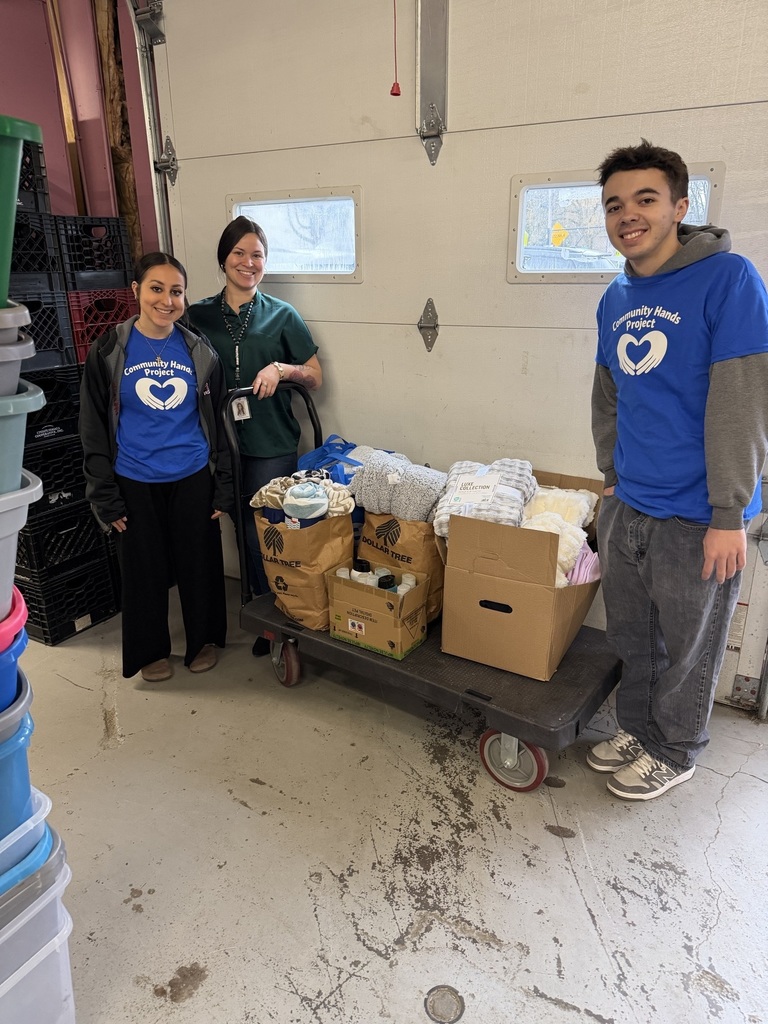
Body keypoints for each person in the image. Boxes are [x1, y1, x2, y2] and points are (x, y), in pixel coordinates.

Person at [589, 140, 768, 800]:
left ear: (680, 207)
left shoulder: (729, 279)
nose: (627, 214)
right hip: (630, 501)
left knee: (690, 647)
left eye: (645, 199)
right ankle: (640, 728)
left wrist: (730, 511)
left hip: (700, 513)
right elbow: (608, 393)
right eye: (614, 203)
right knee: (636, 637)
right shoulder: (615, 296)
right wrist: (610, 474)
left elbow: (742, 400)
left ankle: (677, 748)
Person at [79, 253, 234, 683]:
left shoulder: (199, 351)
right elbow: (92, 426)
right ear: (136, 290)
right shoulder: (110, 349)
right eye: (156, 288)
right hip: (134, 479)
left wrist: (221, 486)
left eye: (176, 291)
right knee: (143, 571)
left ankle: (202, 640)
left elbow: (219, 424)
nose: (167, 300)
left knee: (199, 564)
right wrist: (104, 497)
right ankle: (150, 650)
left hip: (191, 475)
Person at [187, 216, 322, 653]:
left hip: (271, 444)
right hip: (217, 445)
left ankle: (277, 619)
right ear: (224, 259)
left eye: (257, 255)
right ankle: (255, 608)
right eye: (239, 253)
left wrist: (282, 368)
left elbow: (315, 376)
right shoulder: (198, 315)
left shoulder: (283, 315)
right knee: (239, 529)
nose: (248, 263)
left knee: (269, 531)